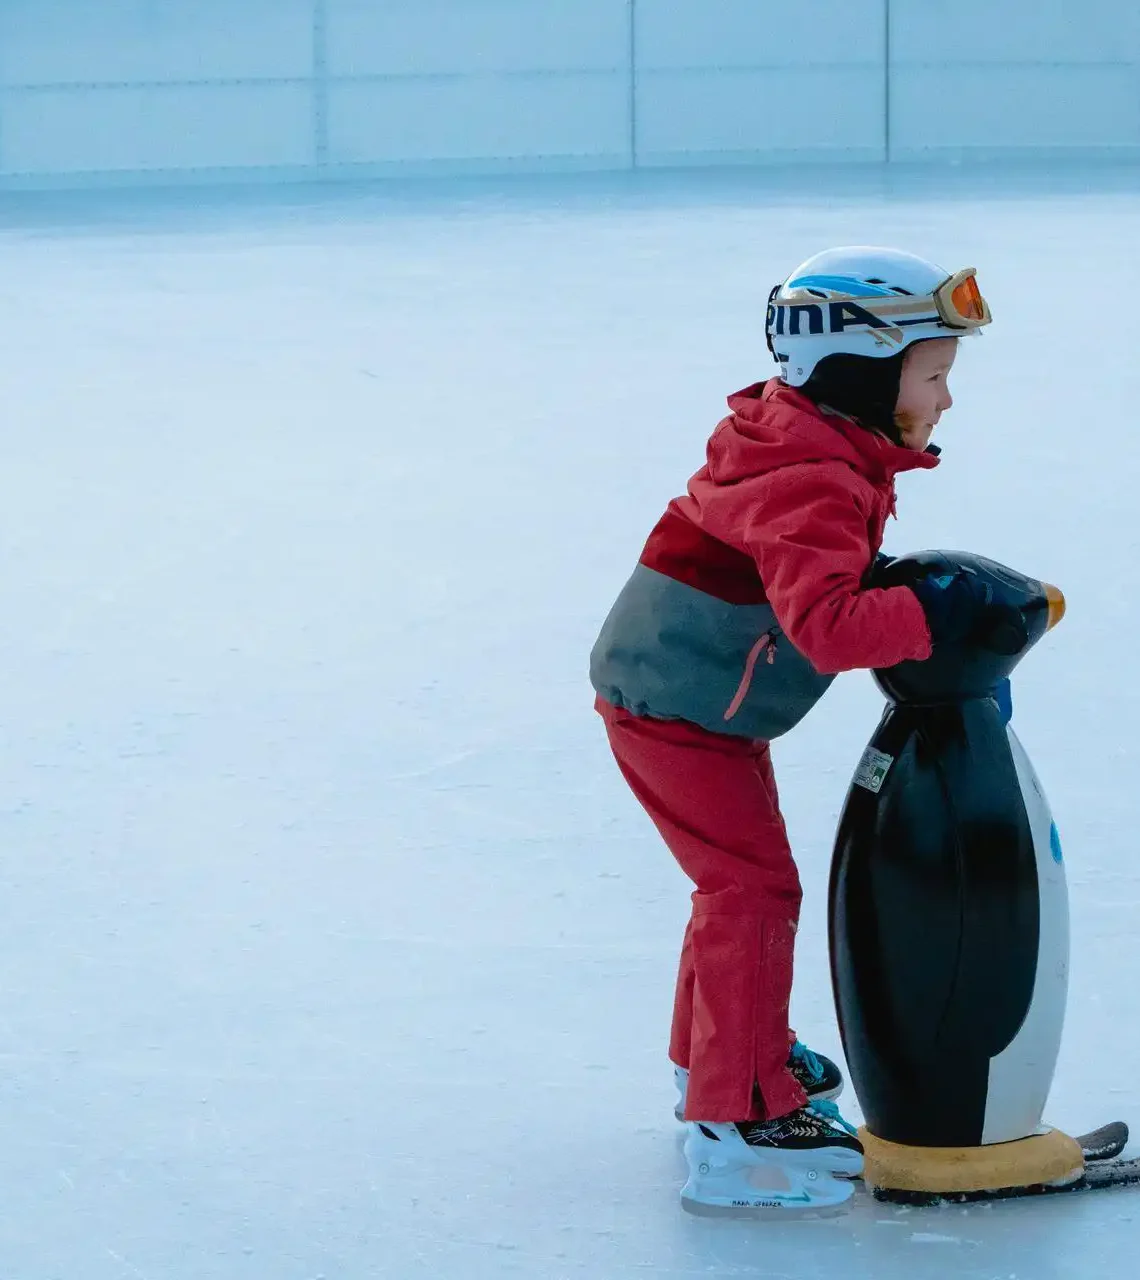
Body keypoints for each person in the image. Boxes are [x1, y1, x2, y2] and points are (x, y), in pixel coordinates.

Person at [589, 246, 1020, 1214]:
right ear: (861, 371)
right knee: (750, 885)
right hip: (676, 708)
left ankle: (719, 1055)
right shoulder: (815, 473)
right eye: (936, 376)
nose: (948, 400)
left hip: (693, 697)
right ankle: (737, 1121)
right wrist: (932, 616)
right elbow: (825, 623)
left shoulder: (814, 444)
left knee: (733, 880)